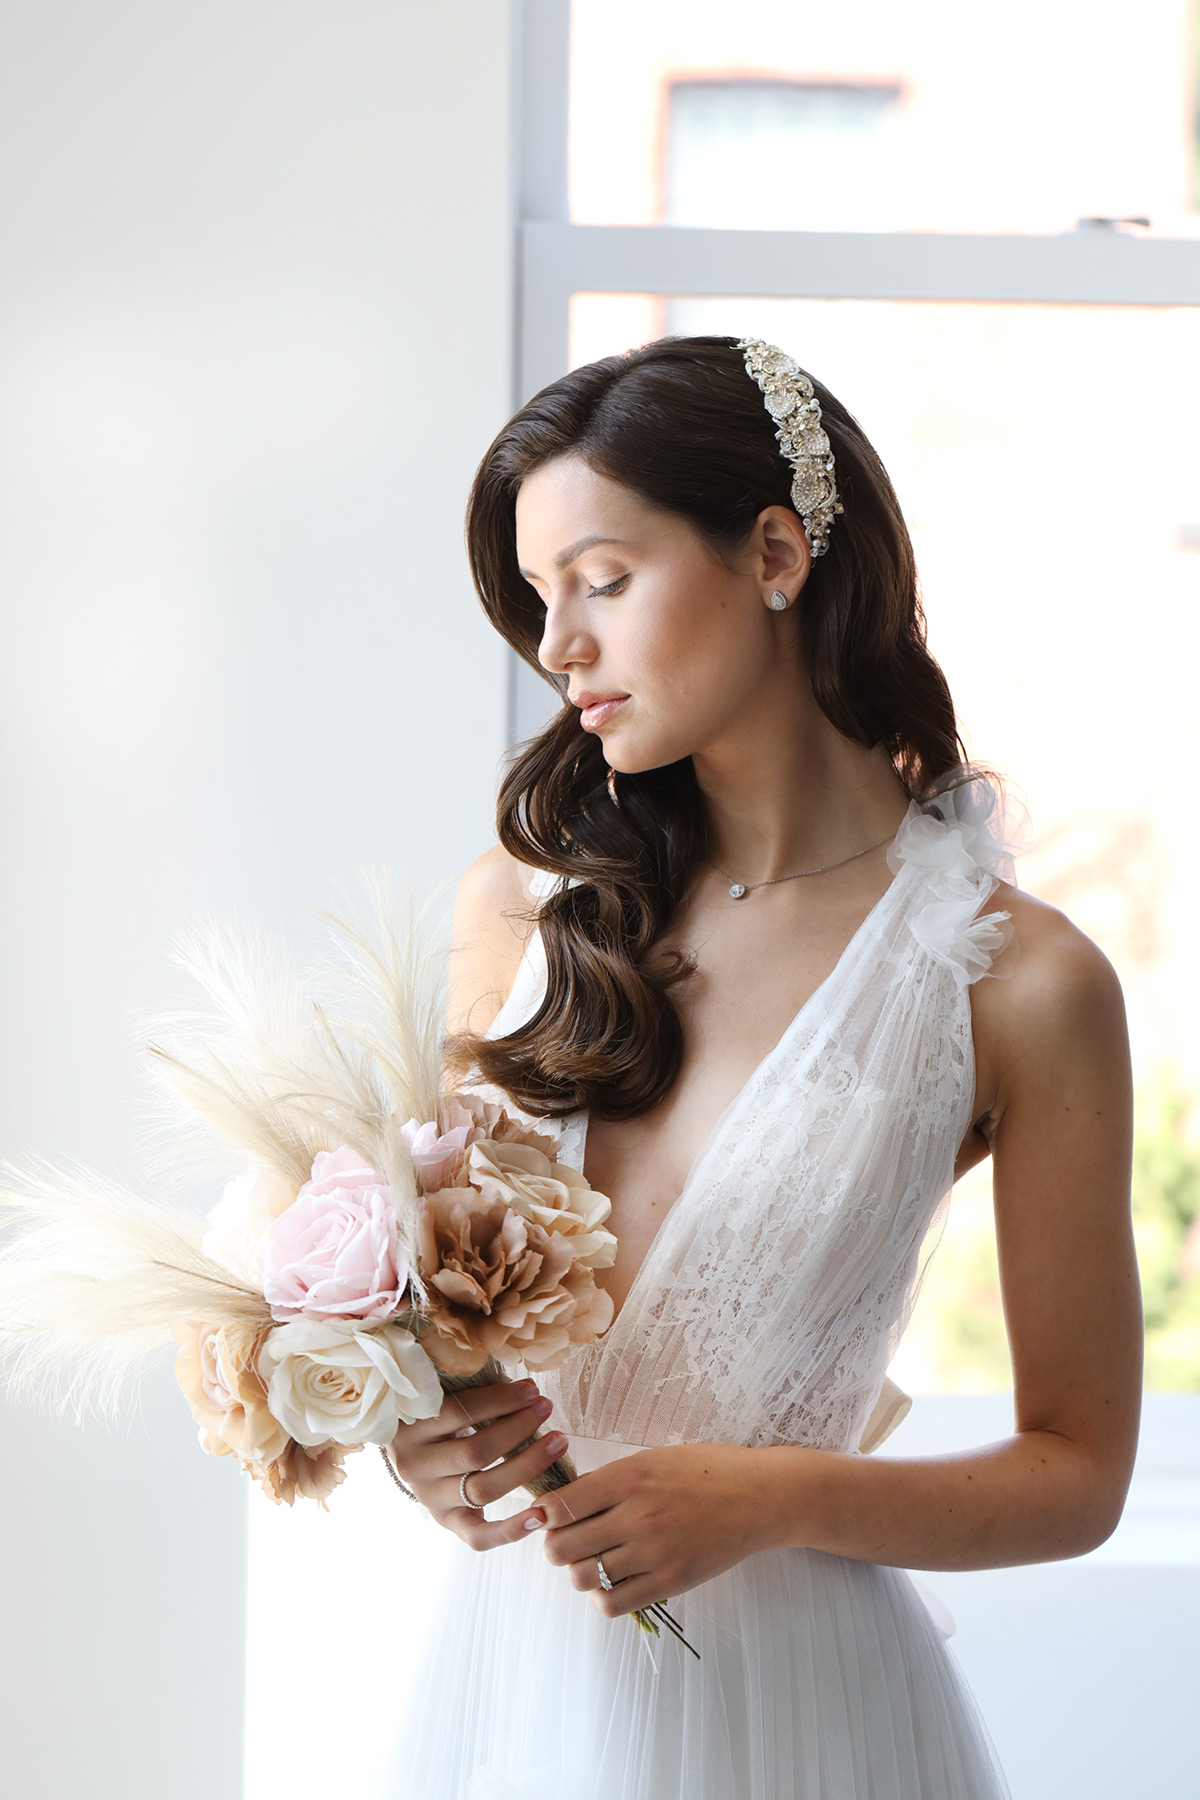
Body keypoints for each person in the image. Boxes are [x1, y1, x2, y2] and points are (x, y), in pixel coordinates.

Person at [381, 336, 1140, 1799]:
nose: (561, 646)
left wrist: (775, 1496)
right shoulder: (521, 910)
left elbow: (1079, 1475)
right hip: (518, 1682)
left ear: (776, 551)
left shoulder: (1024, 983)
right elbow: (448, 1331)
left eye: (602, 580)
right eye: (541, 601)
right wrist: (433, 1442)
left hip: (798, 1705)